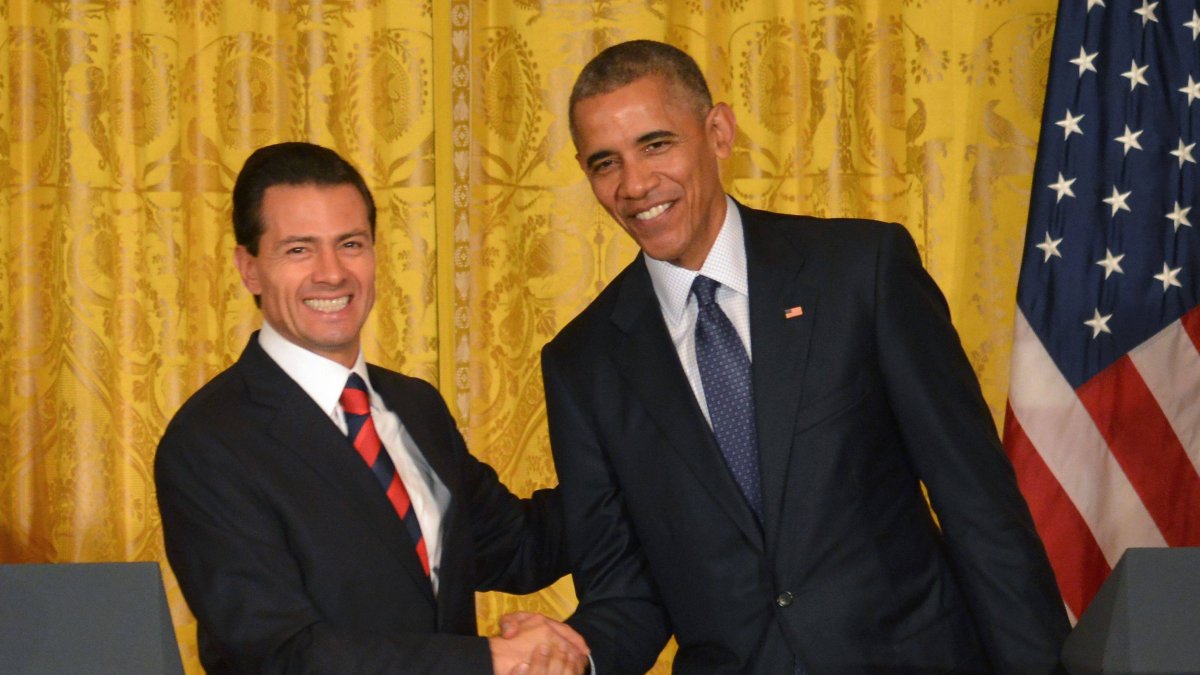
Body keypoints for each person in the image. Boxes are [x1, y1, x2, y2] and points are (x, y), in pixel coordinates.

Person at [541, 40, 1070, 673]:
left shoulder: (858, 273)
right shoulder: (583, 363)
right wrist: (569, 658)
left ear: (718, 132)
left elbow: (979, 509)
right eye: (605, 163)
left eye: (656, 145)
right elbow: (622, 591)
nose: (634, 184)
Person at [155, 142, 587, 674]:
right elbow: (278, 653)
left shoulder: (414, 406)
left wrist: (654, 456)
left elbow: (517, 547)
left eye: (351, 244)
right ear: (249, 269)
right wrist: (487, 660)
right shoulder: (209, 442)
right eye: (299, 250)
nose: (332, 273)